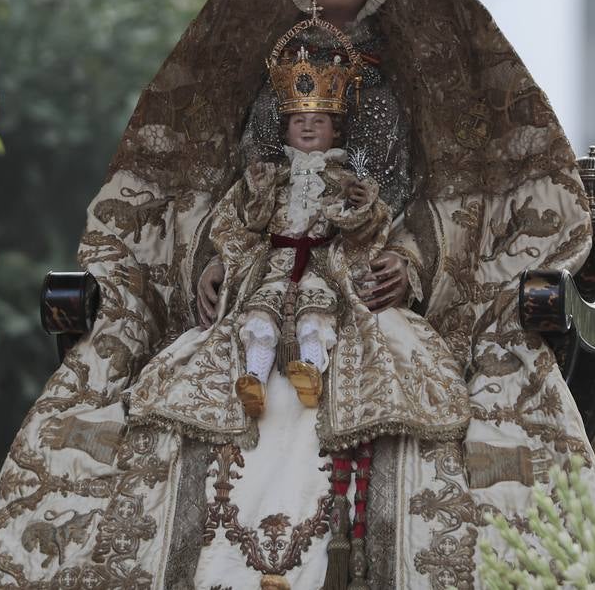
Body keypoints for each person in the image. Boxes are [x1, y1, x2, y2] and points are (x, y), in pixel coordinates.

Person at [0, 0, 595, 590]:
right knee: (178, 403)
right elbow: (194, 192)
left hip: (378, 308)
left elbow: (461, 200)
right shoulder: (247, 72)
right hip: (255, 301)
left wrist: (409, 265)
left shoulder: (429, 71)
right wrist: (210, 264)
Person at [126, 22, 470, 452]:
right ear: (284, 129)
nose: (309, 130)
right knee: (257, 319)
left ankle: (310, 366)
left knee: (316, 318)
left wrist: (359, 208)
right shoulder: (269, 178)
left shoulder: (346, 180)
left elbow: (372, 228)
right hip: (271, 269)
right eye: (300, 122)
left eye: (320, 121)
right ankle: (253, 375)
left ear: (337, 130)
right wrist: (225, 255)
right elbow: (239, 222)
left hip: (327, 270)